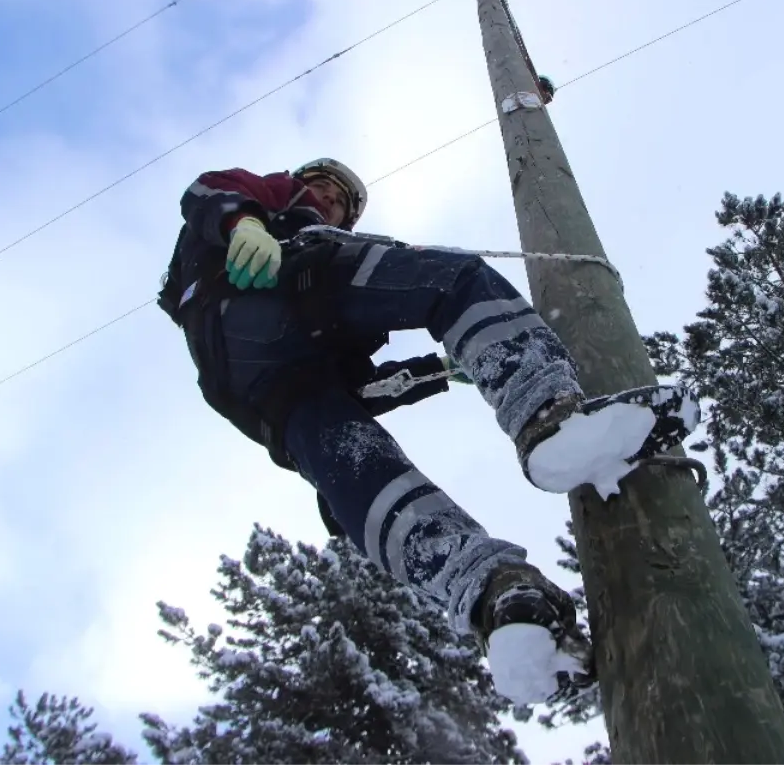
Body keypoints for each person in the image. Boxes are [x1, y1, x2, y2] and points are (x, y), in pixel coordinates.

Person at [155, 157, 697, 703]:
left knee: (359, 473)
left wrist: (438, 372)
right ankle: (547, 414)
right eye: (322, 187)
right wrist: (243, 223)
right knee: (454, 278)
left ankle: (498, 598)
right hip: (281, 291)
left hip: (278, 385)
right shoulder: (277, 205)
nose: (328, 200)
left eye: (340, 202)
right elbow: (208, 189)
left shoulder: (314, 250)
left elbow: (364, 388)